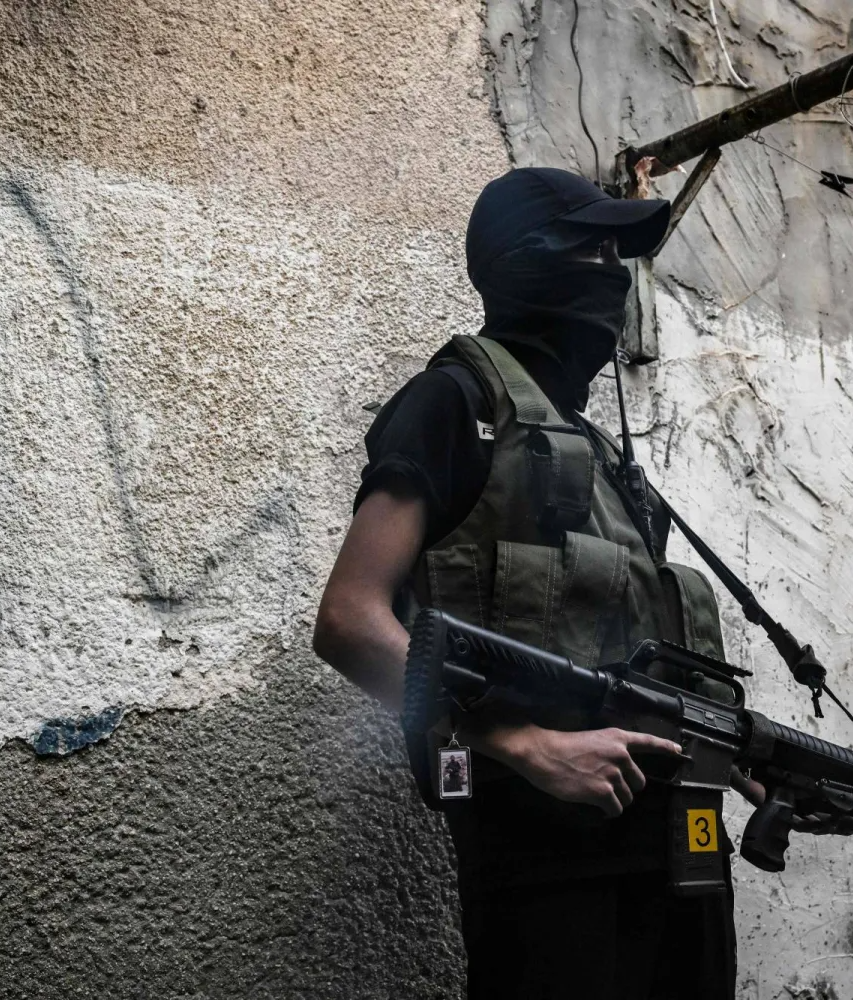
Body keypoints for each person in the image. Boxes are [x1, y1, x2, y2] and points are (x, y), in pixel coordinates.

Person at [313, 167, 764, 999]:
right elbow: (348, 618)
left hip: (685, 853)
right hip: (551, 868)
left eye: (620, 255)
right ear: (528, 260)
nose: (613, 275)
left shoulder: (594, 452)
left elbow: (631, 664)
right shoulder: (452, 404)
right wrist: (526, 745)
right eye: (595, 249)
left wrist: (746, 759)